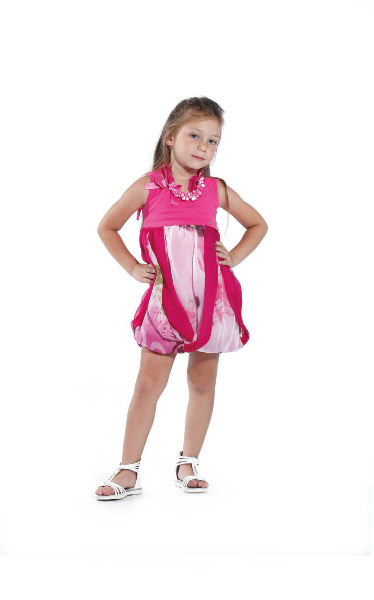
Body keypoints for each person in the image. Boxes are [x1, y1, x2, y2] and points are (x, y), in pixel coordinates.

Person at [94, 96, 268, 500]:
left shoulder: (216, 190)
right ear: (171, 137)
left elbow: (258, 224)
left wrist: (234, 256)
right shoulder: (148, 186)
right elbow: (107, 227)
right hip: (165, 301)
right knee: (147, 385)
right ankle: (128, 470)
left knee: (202, 384)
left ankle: (188, 462)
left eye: (213, 141)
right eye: (194, 135)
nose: (203, 146)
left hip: (211, 302)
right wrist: (132, 266)